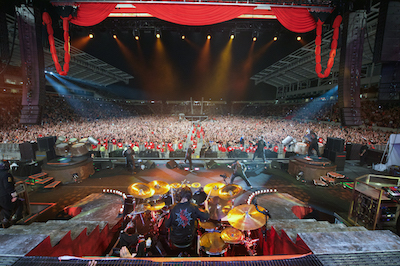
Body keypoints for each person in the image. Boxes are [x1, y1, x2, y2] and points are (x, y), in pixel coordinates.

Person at [165, 187, 209, 256]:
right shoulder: (194, 207)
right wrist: (206, 205)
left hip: (175, 240)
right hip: (189, 239)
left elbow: (167, 225)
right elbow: (206, 216)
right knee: (196, 222)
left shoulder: (173, 208)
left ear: (180, 196)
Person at [0, 160, 17, 228]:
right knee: (8, 210)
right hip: (4, 196)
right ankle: (6, 224)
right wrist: (14, 195)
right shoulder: (7, 175)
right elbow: (8, 186)